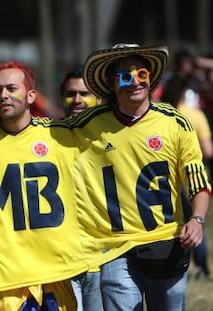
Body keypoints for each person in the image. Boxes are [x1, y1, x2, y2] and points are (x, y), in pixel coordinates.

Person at [67, 43, 211, 311]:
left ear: (150, 79)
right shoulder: (87, 124)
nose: (134, 81)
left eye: (141, 74)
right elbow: (42, 135)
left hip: (166, 244)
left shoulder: (174, 122)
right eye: (125, 76)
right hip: (115, 248)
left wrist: (197, 219)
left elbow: (198, 182)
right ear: (112, 84)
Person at [0, 60, 88, 310]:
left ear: (31, 95)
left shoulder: (59, 135)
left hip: (54, 269)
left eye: (11, 89)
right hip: (6, 274)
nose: (3, 95)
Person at [59, 65, 103, 311]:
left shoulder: (112, 135)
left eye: (84, 93)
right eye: (70, 93)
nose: (77, 100)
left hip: (104, 255)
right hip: (61, 256)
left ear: (97, 97)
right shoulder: (47, 136)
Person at [161, 76, 213, 280]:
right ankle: (201, 265)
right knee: (195, 219)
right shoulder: (194, 115)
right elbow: (208, 151)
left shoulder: (157, 115)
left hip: (163, 179)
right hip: (190, 174)